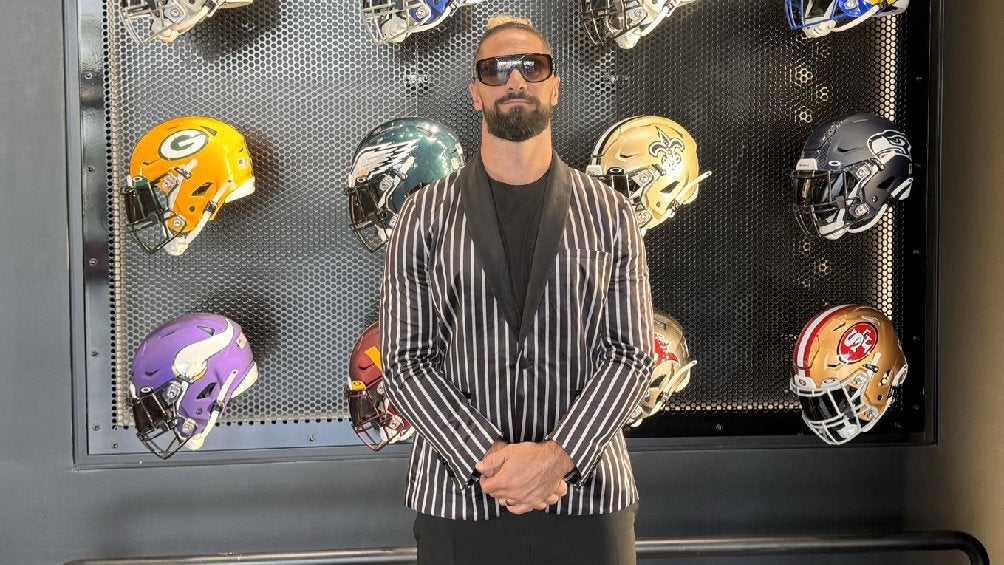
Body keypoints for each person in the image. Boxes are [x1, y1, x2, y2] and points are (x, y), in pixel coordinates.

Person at [379, 14, 655, 565]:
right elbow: (405, 361)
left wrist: (558, 457)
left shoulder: (610, 212)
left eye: (532, 65)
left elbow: (631, 355)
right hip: (459, 500)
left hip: (587, 498)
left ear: (554, 87)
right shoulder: (422, 214)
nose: (515, 80)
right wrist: (491, 460)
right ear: (475, 93)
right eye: (496, 69)